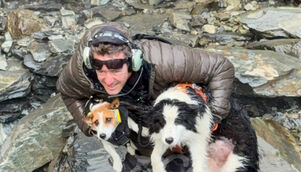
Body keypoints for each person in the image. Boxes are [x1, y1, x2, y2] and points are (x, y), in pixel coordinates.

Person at [56, 22, 234, 171]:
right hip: (138, 117)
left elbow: (220, 67)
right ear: (89, 61)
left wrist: (213, 117)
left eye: (116, 68)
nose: (108, 80)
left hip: (178, 107)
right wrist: (90, 125)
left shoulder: (165, 60)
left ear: (134, 61)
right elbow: (68, 93)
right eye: (100, 70)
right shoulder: (79, 72)